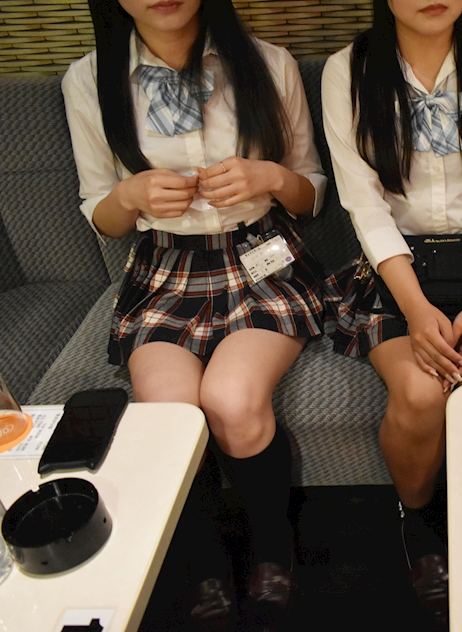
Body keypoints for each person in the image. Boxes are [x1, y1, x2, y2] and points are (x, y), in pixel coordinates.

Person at [62, 0, 327, 628]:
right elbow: (101, 213)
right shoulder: (89, 78)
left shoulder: (269, 64)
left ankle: (273, 549)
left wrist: (270, 176)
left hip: (260, 257)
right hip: (164, 267)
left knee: (232, 400)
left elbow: (311, 193)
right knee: (170, 413)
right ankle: (205, 561)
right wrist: (129, 194)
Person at [321, 0, 462, 624]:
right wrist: (416, 308)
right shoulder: (347, 70)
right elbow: (363, 204)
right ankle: (419, 521)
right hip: (396, 268)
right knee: (422, 395)